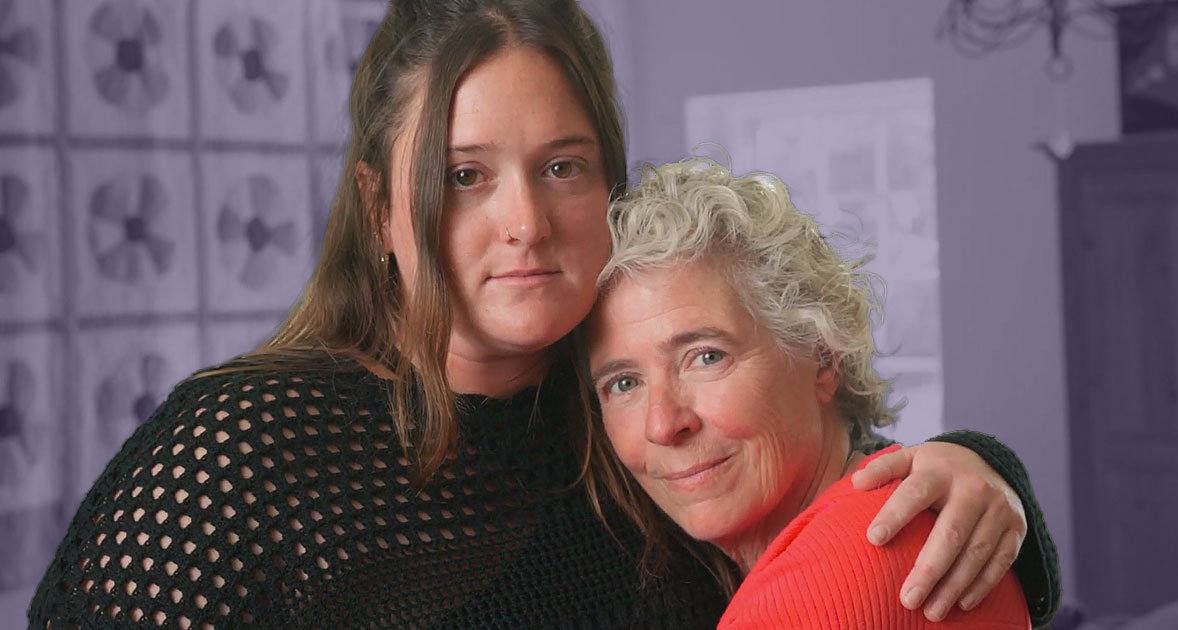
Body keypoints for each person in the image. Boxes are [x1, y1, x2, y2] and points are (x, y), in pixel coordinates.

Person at [28, 1, 1058, 628]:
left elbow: (832, 535)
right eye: (463, 176)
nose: (524, 222)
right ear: (382, 209)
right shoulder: (241, 448)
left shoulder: (629, 418)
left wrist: (983, 476)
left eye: (561, 165)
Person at [584, 158, 1036, 628]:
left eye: (706, 357)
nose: (662, 424)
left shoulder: (839, 575)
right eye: (624, 383)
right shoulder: (892, 516)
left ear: (822, 358)